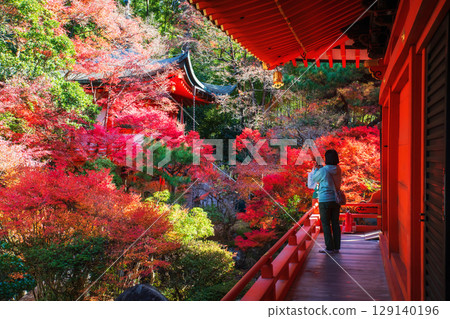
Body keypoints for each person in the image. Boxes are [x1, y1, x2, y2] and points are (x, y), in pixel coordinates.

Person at [311, 149, 342, 254]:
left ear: (326, 158)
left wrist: (316, 169)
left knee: (325, 223)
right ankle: (336, 247)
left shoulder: (323, 170)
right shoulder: (338, 169)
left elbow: (315, 178)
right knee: (335, 223)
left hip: (325, 199)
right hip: (336, 199)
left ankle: (329, 247)